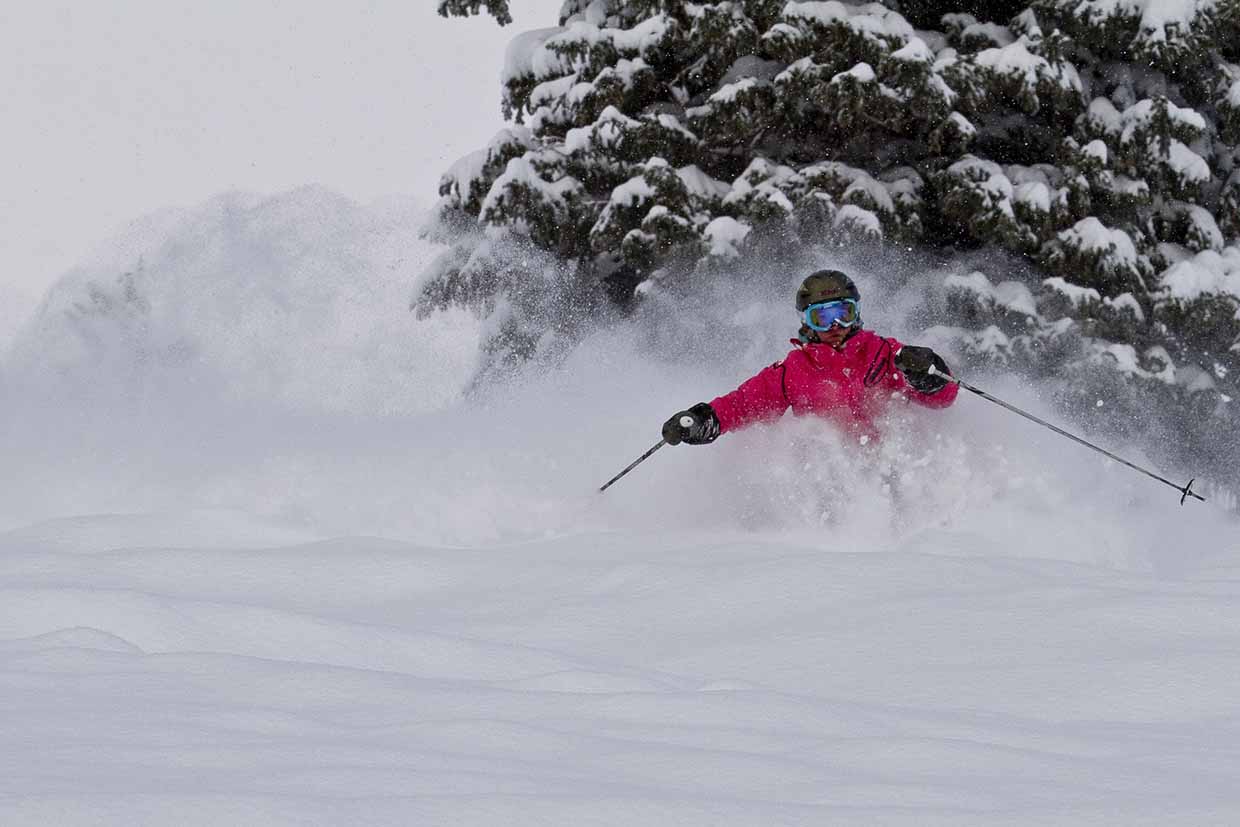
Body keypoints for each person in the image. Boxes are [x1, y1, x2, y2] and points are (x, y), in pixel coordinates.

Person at [662, 269, 958, 448]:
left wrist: (929, 373)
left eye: (843, 313)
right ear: (806, 321)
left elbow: (944, 397)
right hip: (834, 475)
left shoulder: (884, 353)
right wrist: (703, 420)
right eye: (822, 317)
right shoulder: (792, 371)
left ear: (856, 313)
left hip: (896, 463)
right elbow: (742, 404)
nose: (835, 326)